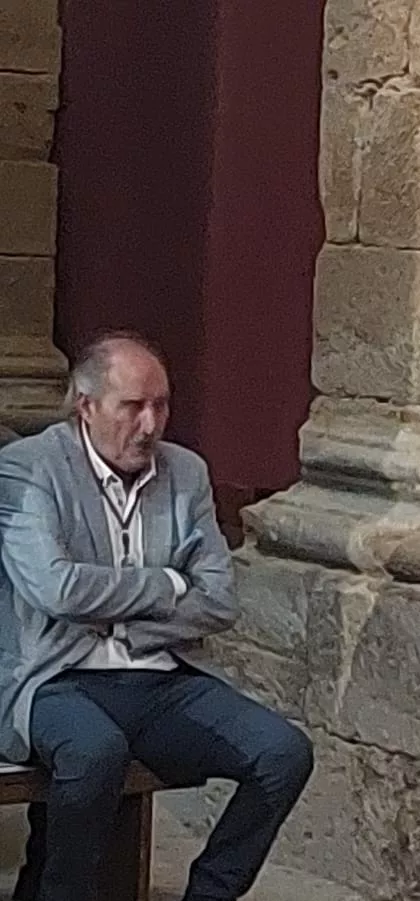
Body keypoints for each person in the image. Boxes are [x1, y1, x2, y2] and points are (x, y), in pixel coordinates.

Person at [0, 332, 314, 901]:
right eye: (132, 406)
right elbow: (58, 590)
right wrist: (168, 583)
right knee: (95, 754)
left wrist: (118, 620)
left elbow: (218, 599)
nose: (150, 424)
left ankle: (211, 892)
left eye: (161, 404)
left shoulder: (185, 472)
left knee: (282, 753)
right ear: (86, 406)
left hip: (159, 676)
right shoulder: (29, 469)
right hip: (53, 680)